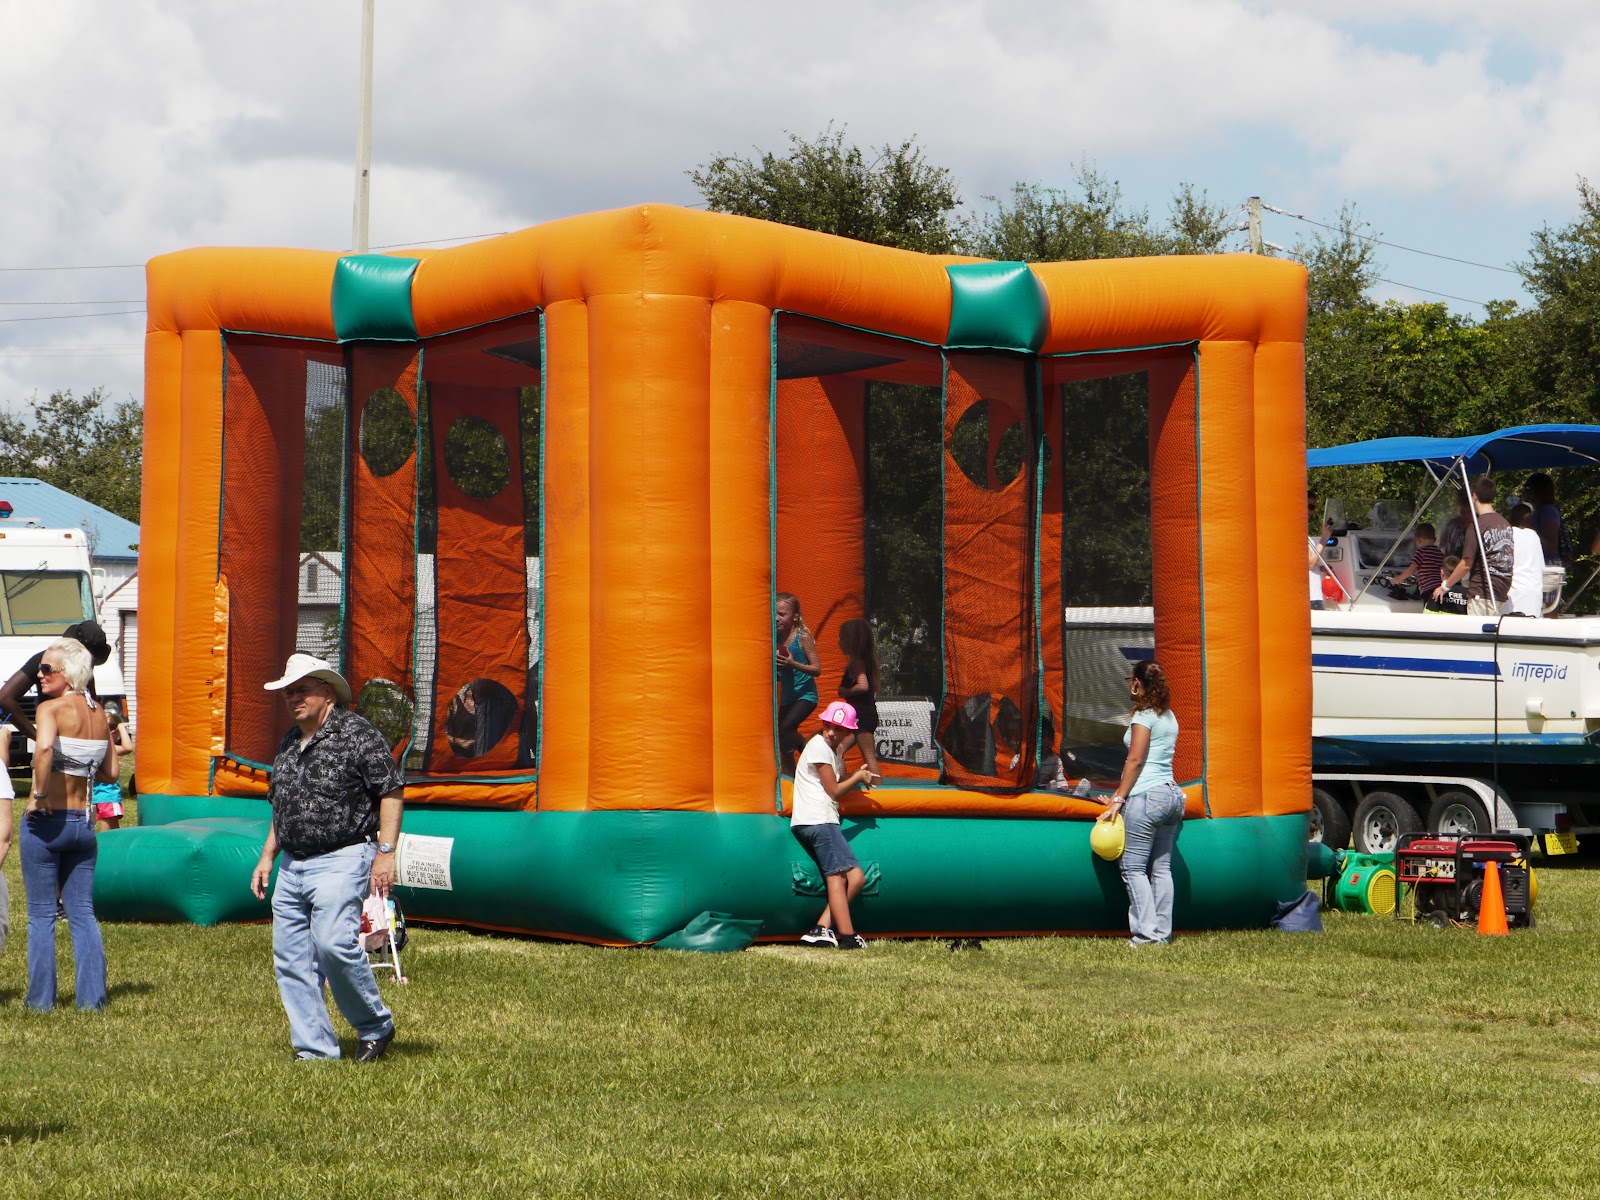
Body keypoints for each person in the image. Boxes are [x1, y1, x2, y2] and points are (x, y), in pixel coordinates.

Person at [249, 654, 404, 1062]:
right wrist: (267, 857)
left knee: (334, 944)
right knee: (293, 960)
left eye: (302, 689)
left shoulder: (357, 734)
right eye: (289, 691)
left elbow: (390, 790)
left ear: (328, 693)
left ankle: (375, 1025)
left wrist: (386, 854)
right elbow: (281, 806)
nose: (293, 697)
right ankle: (315, 1049)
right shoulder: (288, 741)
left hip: (343, 857)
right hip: (292, 864)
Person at [21, 637, 118, 1010]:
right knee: (82, 913)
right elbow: (111, 771)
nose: (39, 675)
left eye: (47, 669)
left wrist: (40, 794)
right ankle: (92, 1000)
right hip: (83, 823)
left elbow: (44, 749)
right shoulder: (98, 714)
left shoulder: (51, 709)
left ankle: (39, 1002)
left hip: (47, 823)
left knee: (42, 915)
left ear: (68, 674)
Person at [1097, 659, 1184, 946]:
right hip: (1171, 796)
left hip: (1147, 797)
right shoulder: (1169, 716)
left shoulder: (1143, 716)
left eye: (1129, 680)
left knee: (1133, 868)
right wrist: (1116, 796)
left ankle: (1146, 935)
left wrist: (1118, 800)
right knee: (1161, 868)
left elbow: (1135, 760)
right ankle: (1162, 934)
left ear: (1136, 682)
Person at [791, 700, 878, 950]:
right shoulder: (819, 746)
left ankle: (820, 928)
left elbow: (831, 783)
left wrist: (855, 775)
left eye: (838, 728)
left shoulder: (832, 751)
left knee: (857, 878)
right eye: (828, 725)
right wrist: (859, 777)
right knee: (837, 879)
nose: (831, 731)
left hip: (820, 821)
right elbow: (833, 791)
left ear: (847, 733)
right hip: (818, 821)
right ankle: (849, 937)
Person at [0, 621, 112, 749]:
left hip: (82, 747)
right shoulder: (45, 660)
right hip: (57, 745)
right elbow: (4, 698)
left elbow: (92, 704)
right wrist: (38, 737)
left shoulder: (85, 669)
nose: (41, 674)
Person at [1434, 476, 1512, 618]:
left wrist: (1445, 586)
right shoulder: (1504, 524)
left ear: (1474, 496)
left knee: (1478, 635)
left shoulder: (1477, 525)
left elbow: (1466, 564)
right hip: (1501, 592)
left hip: (1481, 592)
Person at [774, 593, 821, 774]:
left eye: (782, 614)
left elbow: (817, 669)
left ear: (795, 617)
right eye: (774, 613)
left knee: (787, 727)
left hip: (806, 695)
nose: (777, 618)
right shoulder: (775, 638)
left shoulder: (802, 637)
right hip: (788, 697)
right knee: (783, 740)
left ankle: (815, 755)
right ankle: (792, 780)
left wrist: (792, 664)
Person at [835, 618, 882, 778]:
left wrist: (846, 691)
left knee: (869, 757)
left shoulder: (858, 661)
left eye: (842, 639)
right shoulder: (864, 660)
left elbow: (863, 685)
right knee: (838, 749)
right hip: (861, 716)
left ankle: (880, 794)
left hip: (861, 716)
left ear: (852, 641)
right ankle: (841, 783)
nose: (839, 643)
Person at [92, 709, 135, 830]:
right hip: (108, 796)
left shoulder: (94, 746)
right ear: (112, 731)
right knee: (109, 834)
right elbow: (128, 748)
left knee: (108, 832)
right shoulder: (108, 748)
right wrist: (122, 727)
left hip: (94, 797)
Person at [1504, 504, 1547, 618]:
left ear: (1510, 519)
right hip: (1534, 593)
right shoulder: (1534, 536)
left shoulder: (1509, 534)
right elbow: (1542, 568)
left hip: (1514, 593)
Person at [1523, 473, 1569, 568]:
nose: (1525, 493)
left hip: (1548, 567)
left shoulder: (1548, 511)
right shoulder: (1540, 511)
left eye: (1528, 488)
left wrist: (1527, 529)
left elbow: (1551, 547)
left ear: (1538, 490)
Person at [1387, 523, 1443, 598]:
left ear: (1418, 540)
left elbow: (1412, 569)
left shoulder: (1421, 552)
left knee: (1427, 608)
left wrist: (1399, 578)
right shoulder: (1439, 552)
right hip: (1439, 587)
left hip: (1427, 588)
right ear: (1435, 539)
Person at [1307, 492, 1334, 610]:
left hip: (1313, 597)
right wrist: (1324, 539)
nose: (1309, 511)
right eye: (1308, 506)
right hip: (1311, 599)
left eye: (1312, 507)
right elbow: (1310, 563)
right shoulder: (1296, 534)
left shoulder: (1304, 536)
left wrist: (1320, 568)